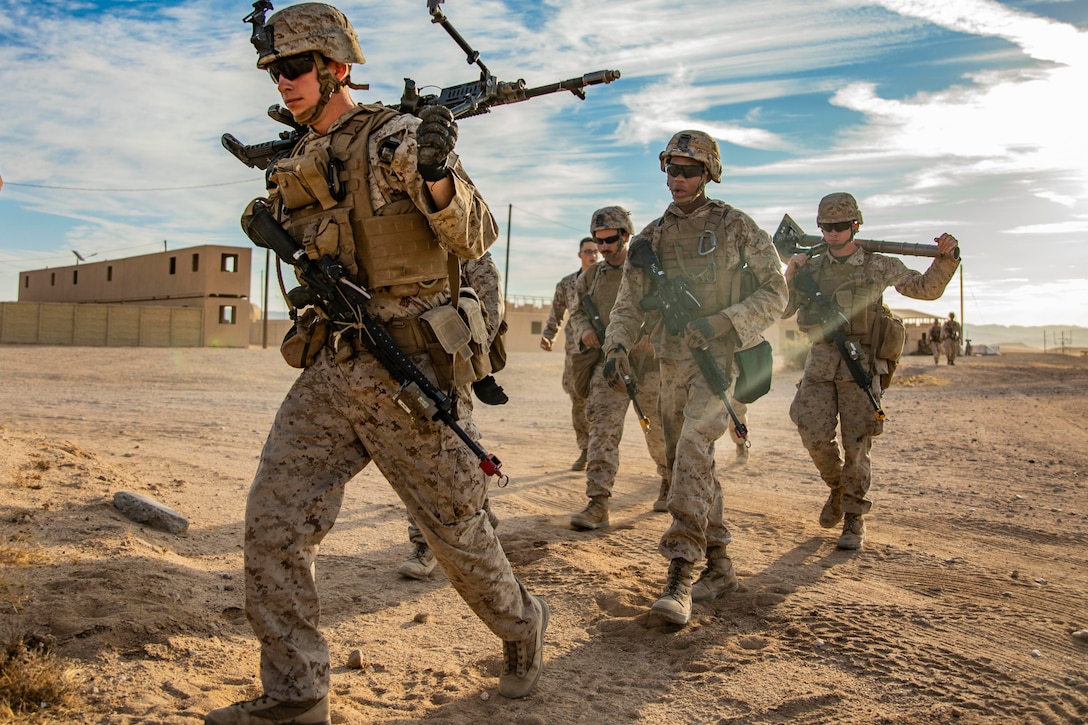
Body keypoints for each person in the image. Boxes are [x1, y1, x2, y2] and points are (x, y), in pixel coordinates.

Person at [205, 5, 547, 723]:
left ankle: (522, 624)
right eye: (275, 69)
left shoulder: (393, 137)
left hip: (407, 372)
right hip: (335, 365)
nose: (284, 80)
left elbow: (476, 230)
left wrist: (437, 176)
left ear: (337, 68)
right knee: (273, 524)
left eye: (296, 67)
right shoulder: (296, 158)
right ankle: (297, 693)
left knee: (458, 535)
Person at [602, 131, 787, 625]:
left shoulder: (736, 226)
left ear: (708, 174)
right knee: (687, 460)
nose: (677, 179)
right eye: (670, 169)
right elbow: (626, 303)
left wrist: (723, 321)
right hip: (669, 362)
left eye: (687, 170)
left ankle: (681, 572)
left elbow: (776, 292)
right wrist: (616, 346)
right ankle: (721, 565)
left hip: (718, 359)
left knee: (691, 449)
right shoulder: (650, 238)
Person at [784, 192, 960, 551]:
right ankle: (837, 487)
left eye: (841, 226)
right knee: (811, 430)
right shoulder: (811, 268)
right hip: (820, 360)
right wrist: (790, 273)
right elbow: (783, 309)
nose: (833, 233)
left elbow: (926, 289)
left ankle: (853, 517)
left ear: (855, 225)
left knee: (858, 443)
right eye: (826, 227)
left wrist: (946, 258)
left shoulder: (877, 265)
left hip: (860, 363)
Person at [398, 252, 506, 580]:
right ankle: (437, 534)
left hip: (451, 365)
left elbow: (489, 312)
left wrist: (468, 359)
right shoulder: (406, 239)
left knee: (456, 449)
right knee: (415, 451)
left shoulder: (469, 252)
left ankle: (436, 539)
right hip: (404, 360)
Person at [567, 206, 669, 529]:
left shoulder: (647, 270)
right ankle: (598, 502)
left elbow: (667, 307)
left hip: (647, 365)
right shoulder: (592, 277)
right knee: (602, 429)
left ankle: (668, 480)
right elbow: (578, 311)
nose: (603, 247)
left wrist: (653, 336)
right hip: (610, 364)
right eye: (598, 240)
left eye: (610, 240)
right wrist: (583, 330)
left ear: (626, 236)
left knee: (658, 430)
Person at [540, 237, 599, 471]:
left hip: (602, 350)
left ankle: (600, 452)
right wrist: (548, 335)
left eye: (596, 251)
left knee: (602, 400)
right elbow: (557, 312)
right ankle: (585, 449)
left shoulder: (609, 279)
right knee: (578, 400)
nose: (593, 255)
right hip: (575, 352)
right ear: (580, 255)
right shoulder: (567, 284)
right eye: (588, 251)